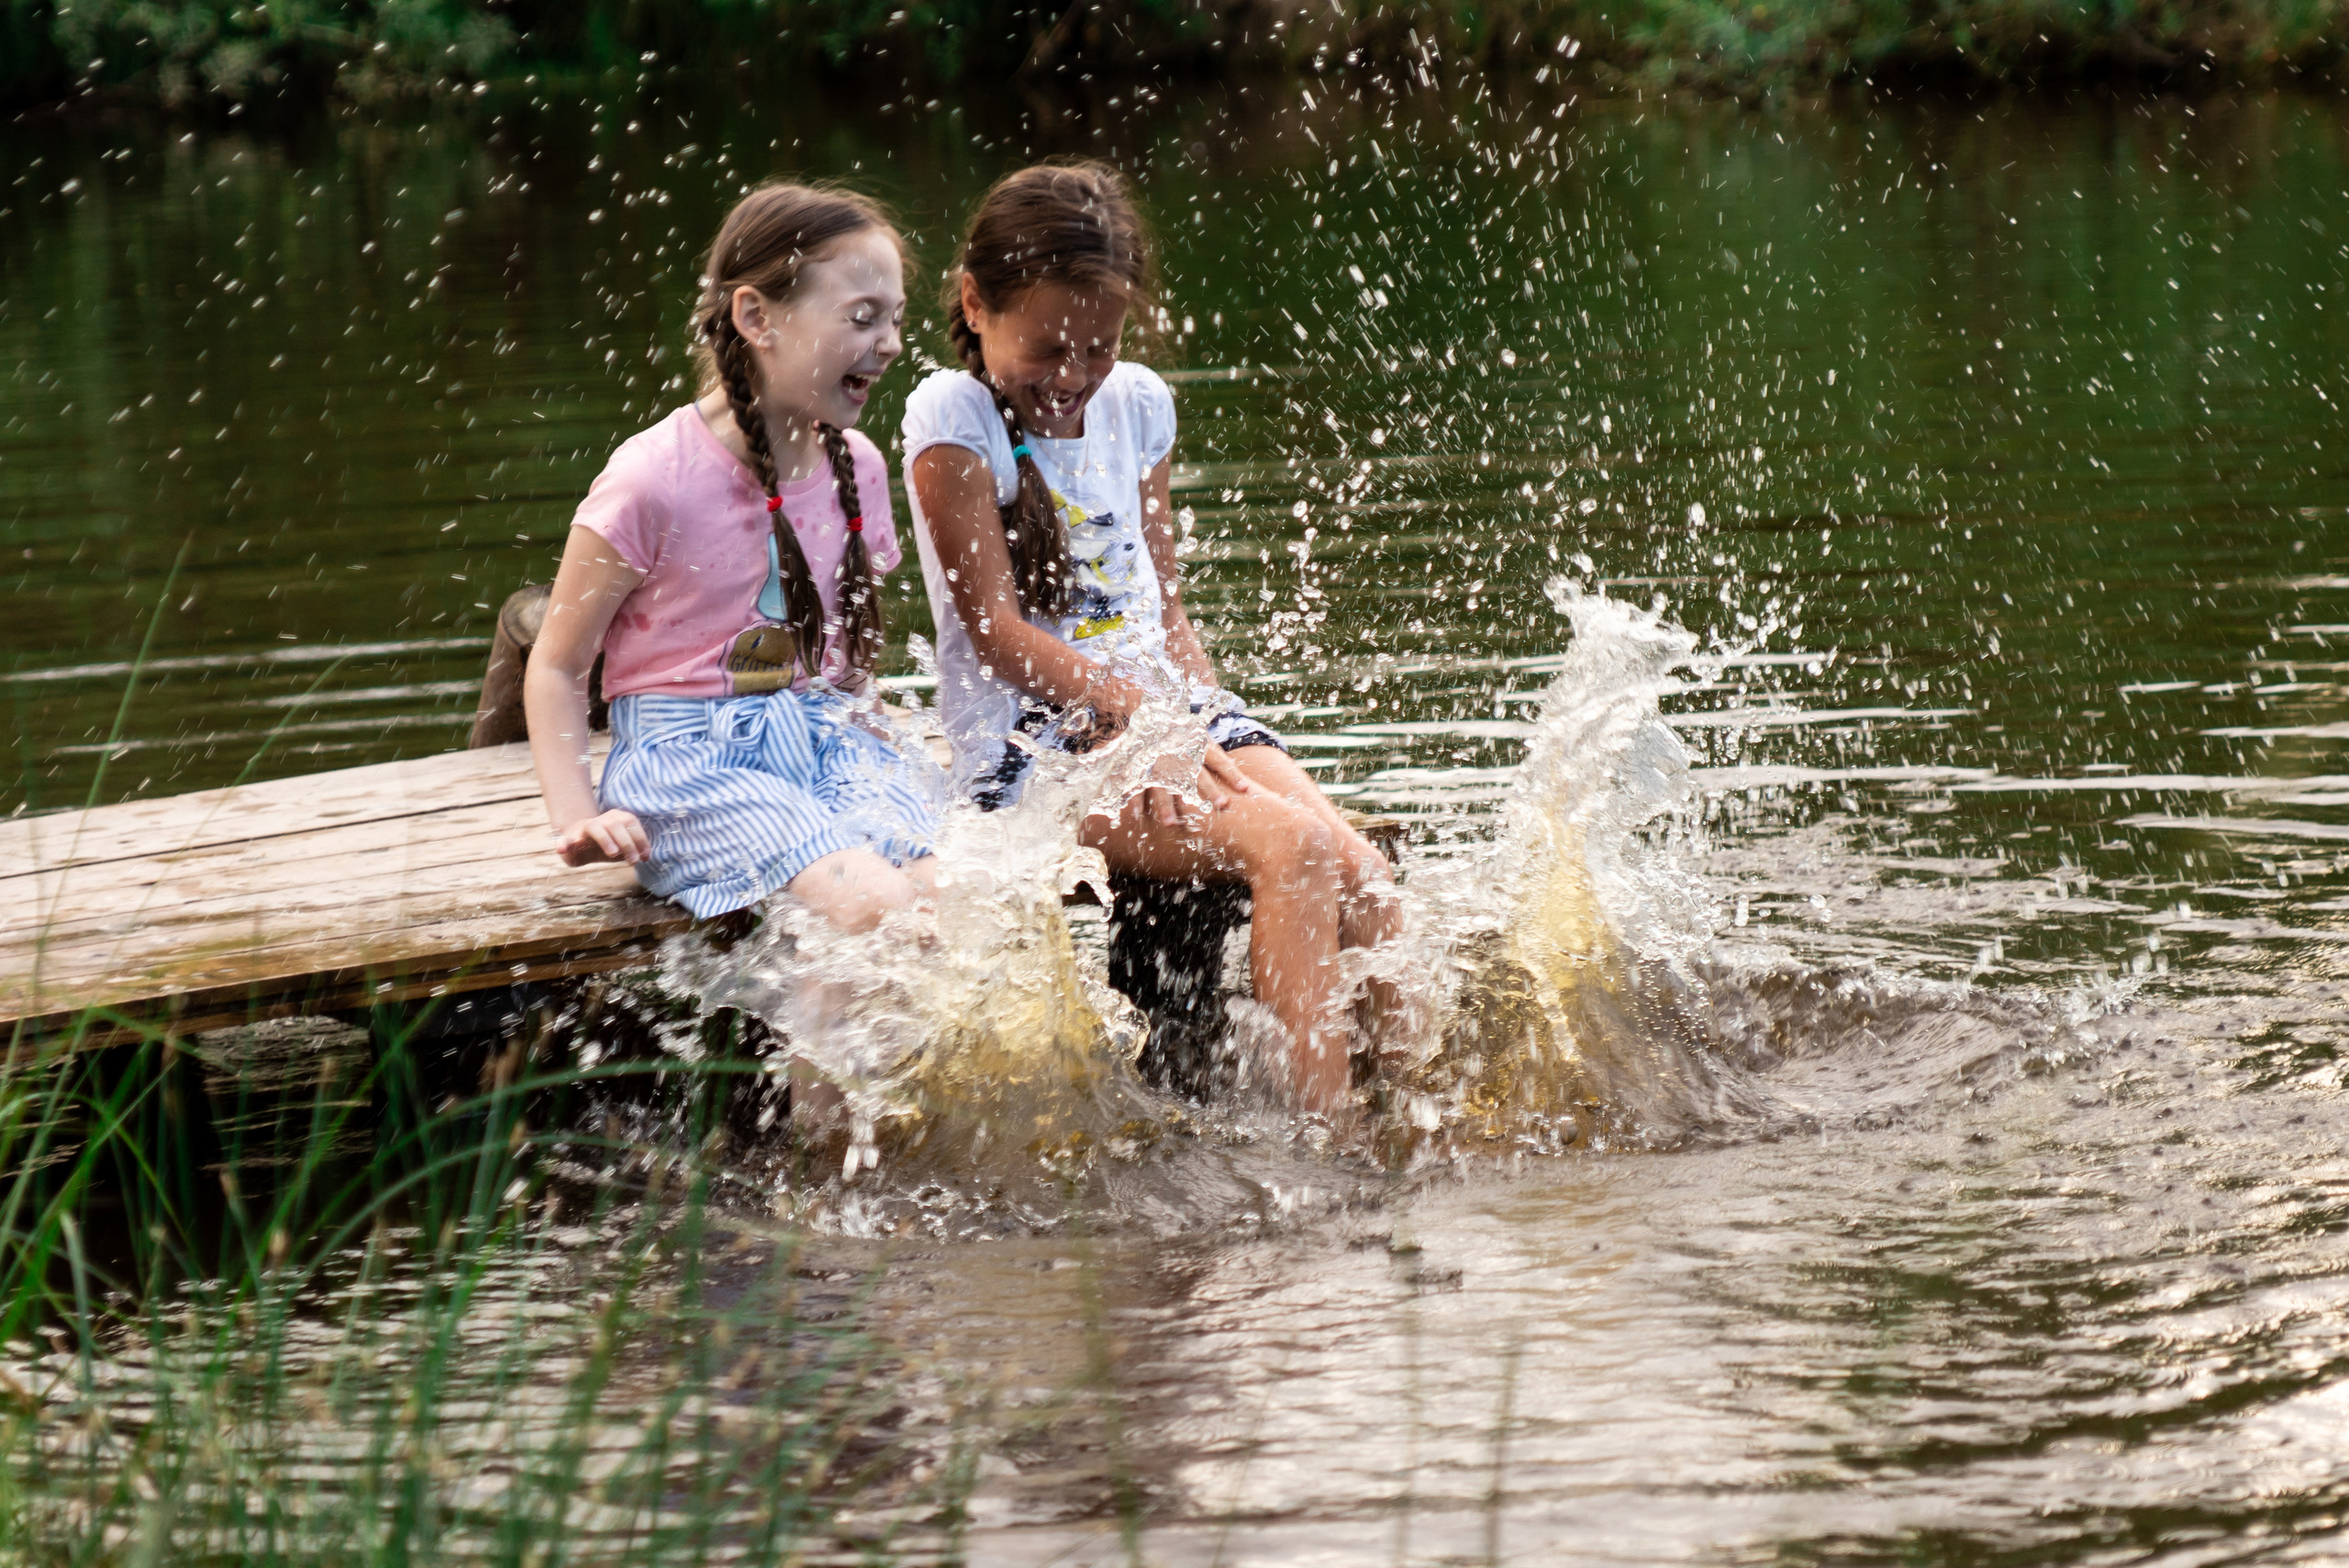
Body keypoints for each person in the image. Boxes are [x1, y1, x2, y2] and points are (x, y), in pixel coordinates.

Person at [901, 161, 1397, 1116]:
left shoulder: (1138, 402)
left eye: (1100, 346)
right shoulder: (950, 415)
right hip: (1039, 747)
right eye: (1047, 348)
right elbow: (1000, 637)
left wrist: (1210, 729)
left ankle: (1411, 1132)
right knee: (1292, 848)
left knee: (1364, 874)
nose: (1074, 377)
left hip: (1162, 711)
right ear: (973, 302)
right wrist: (1148, 728)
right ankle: (1326, 1157)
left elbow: (1165, 615)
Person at [523, 182, 939, 950]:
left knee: (944, 896)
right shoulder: (654, 479)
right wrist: (578, 815)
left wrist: (872, 723)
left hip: (821, 737)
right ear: (757, 318)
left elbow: (841, 659)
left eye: (896, 320)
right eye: (862, 317)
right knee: (872, 906)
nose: (890, 343)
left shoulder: (859, 467)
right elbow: (556, 663)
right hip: (692, 767)